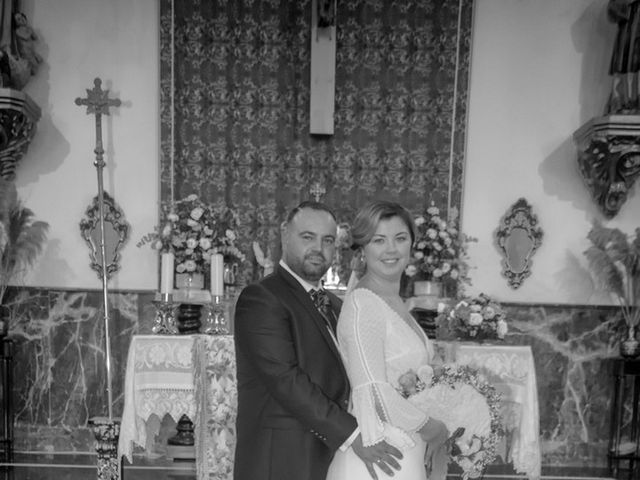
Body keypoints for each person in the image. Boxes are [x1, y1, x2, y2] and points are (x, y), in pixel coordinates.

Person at [233, 200, 403, 480]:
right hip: (281, 457)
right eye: (308, 237)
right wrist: (353, 433)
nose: (319, 249)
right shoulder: (262, 298)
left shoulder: (336, 305)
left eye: (327, 241)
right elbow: (286, 380)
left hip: (329, 454)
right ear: (285, 233)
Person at [326, 200, 450, 480]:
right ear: (362, 249)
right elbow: (375, 395)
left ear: (412, 245)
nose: (391, 249)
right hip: (382, 457)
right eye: (378, 240)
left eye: (400, 238)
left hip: (406, 449)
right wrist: (434, 428)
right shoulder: (363, 304)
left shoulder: (393, 300)